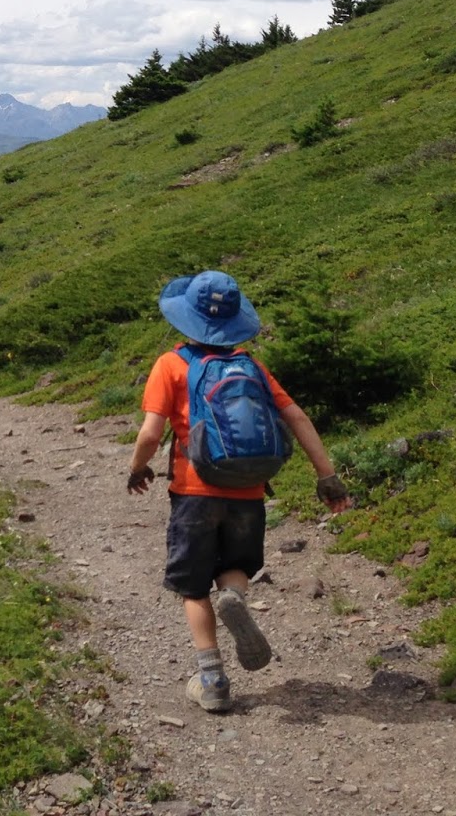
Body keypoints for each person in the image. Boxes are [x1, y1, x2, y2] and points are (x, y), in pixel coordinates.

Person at [126, 270, 353, 712]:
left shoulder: (171, 364)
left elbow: (151, 433)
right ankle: (234, 596)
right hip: (248, 490)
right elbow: (297, 417)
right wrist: (327, 477)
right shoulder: (251, 365)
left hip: (194, 492)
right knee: (234, 566)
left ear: (186, 318)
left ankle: (212, 680)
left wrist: (137, 468)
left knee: (194, 588)